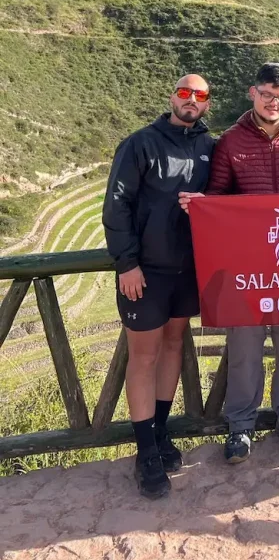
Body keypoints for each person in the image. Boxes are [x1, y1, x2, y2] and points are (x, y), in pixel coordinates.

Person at [180, 61, 279, 462]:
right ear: (253, 93)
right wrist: (201, 206)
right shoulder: (230, 141)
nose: (273, 102)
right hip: (247, 268)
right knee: (244, 344)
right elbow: (218, 197)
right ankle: (241, 424)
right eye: (266, 95)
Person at [103, 74, 214, 499]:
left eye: (199, 96)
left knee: (172, 346)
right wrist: (127, 263)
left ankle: (161, 432)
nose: (191, 101)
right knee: (144, 356)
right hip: (146, 272)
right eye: (184, 93)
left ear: (206, 104)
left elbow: (222, 198)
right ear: (172, 96)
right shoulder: (140, 143)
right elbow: (117, 204)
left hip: (188, 271)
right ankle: (146, 450)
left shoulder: (209, 146)